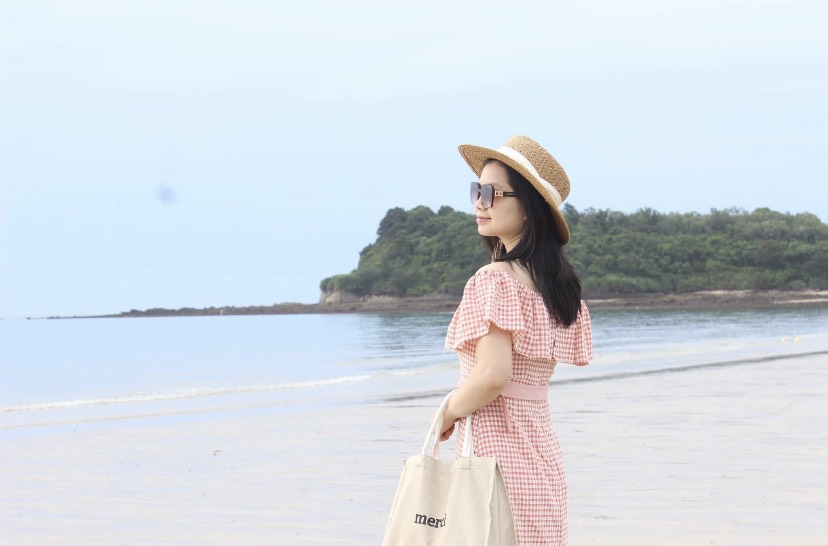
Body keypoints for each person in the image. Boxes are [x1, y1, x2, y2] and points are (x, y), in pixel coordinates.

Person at [439, 135, 593, 545]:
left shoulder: (495, 280)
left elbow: (492, 376)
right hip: (542, 458)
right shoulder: (553, 289)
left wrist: (446, 413)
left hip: (495, 457)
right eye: (476, 191)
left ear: (528, 206)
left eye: (491, 193)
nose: (479, 203)